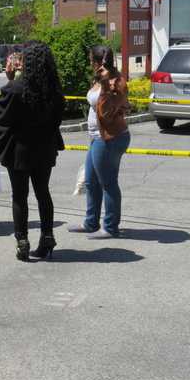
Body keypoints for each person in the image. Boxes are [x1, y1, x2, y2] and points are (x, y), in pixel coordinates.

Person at [0, 44, 65, 262]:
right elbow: (56, 120)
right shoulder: (54, 91)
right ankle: (47, 237)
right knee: (43, 193)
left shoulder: (15, 89)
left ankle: (22, 241)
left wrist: (10, 79)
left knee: (19, 196)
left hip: (20, 150)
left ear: (26, 62)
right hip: (45, 149)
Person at [68, 45, 131, 239]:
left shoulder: (115, 82)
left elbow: (105, 113)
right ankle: (91, 222)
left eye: (91, 60)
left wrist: (104, 86)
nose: (89, 63)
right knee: (91, 181)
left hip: (110, 138)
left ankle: (111, 227)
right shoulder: (100, 79)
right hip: (97, 137)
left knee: (108, 183)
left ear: (98, 61)